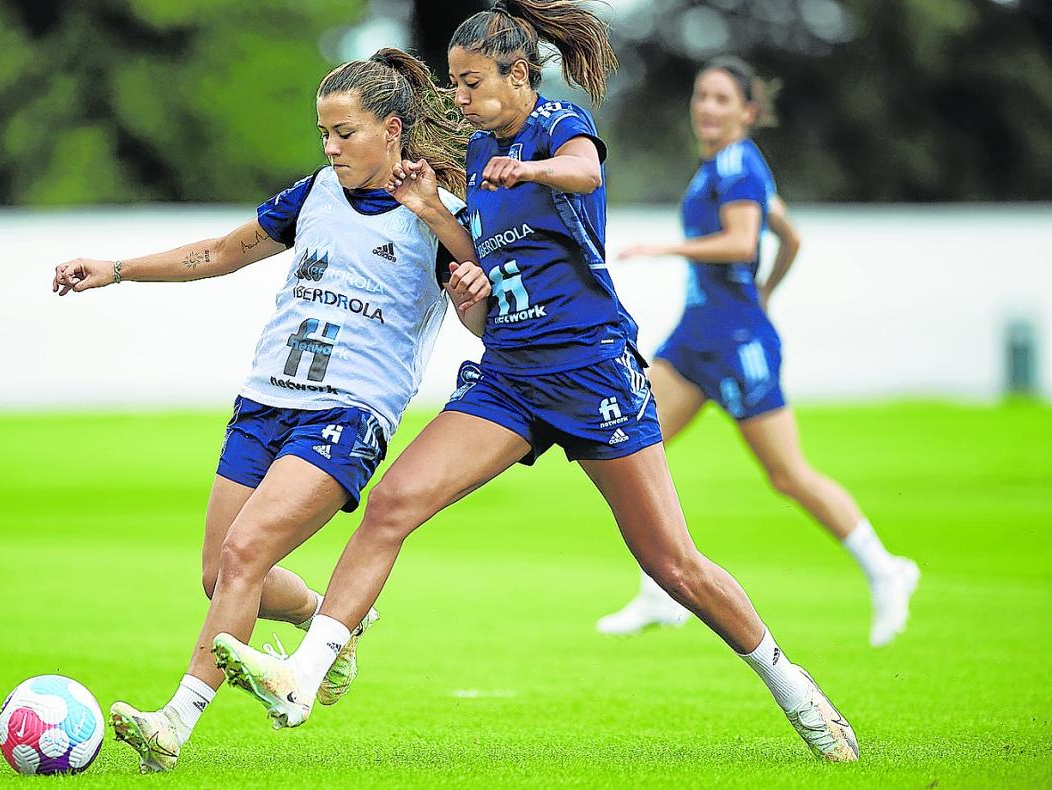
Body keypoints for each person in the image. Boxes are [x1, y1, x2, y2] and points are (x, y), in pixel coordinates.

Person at [213, 0, 858, 762]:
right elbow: (481, 257)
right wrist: (441, 226)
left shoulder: (556, 126)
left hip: (591, 371)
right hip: (509, 377)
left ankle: (793, 688)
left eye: (472, 81)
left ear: (518, 75)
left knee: (671, 564)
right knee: (390, 505)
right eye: (453, 83)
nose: (460, 97)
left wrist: (530, 166)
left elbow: (585, 173)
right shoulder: (484, 156)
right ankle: (305, 672)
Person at [50, 48, 489, 773]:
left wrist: (457, 256)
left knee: (245, 552)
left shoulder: (438, 214)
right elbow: (222, 252)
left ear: (391, 129)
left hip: (348, 413)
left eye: (344, 133)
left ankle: (174, 723)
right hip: (265, 400)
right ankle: (333, 623)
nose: (330, 146)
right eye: (323, 132)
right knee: (219, 577)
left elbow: (479, 318)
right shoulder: (315, 193)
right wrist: (117, 270)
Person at [599, 57, 919, 647]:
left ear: (747, 112)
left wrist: (669, 250)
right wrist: (766, 288)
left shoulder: (740, 163)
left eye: (722, 99)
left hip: (737, 343)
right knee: (641, 449)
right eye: (701, 96)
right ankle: (660, 593)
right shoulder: (723, 166)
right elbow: (788, 236)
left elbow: (745, 241)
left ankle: (887, 570)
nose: (707, 107)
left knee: (788, 475)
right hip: (698, 338)